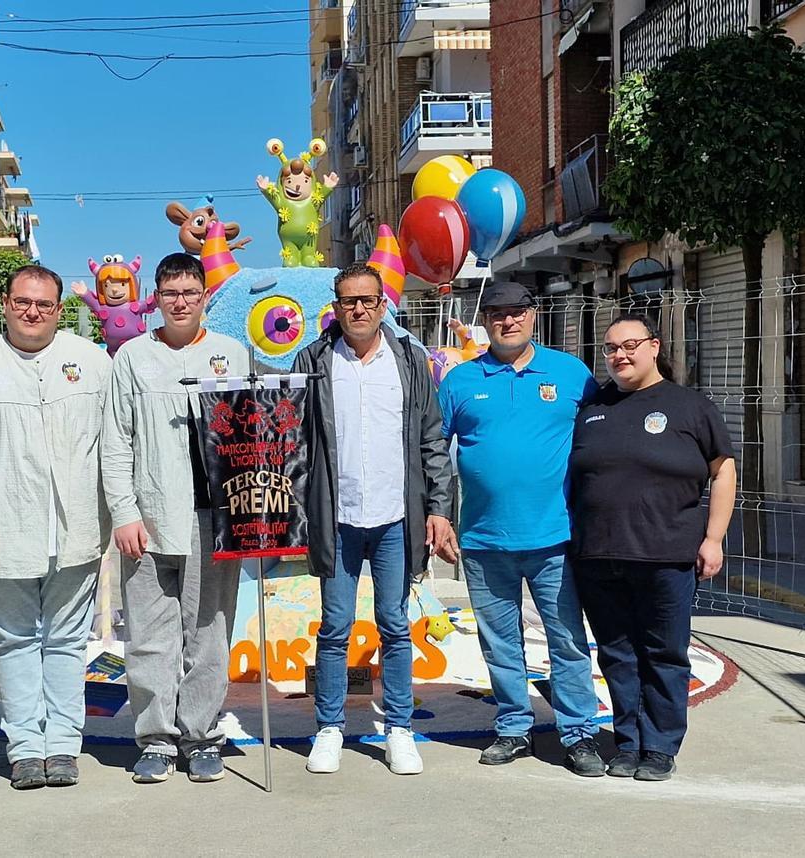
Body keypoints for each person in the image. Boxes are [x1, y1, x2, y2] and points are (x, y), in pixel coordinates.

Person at [0, 265, 112, 791]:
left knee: (66, 642)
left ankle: (64, 746)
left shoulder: (92, 362)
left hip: (76, 531)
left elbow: (117, 442)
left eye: (44, 304)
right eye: (22, 302)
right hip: (0, 531)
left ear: (59, 310)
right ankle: (27, 748)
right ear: (6, 304)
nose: (32, 312)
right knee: (13, 642)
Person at [291, 262, 456, 776]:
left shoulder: (408, 360)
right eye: (349, 301)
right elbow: (295, 443)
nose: (358, 309)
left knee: (395, 625)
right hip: (336, 518)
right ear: (335, 308)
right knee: (335, 628)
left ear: (383, 305)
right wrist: (295, 511)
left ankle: (399, 729)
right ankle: (329, 728)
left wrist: (439, 508)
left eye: (368, 300)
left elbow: (432, 439)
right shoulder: (313, 360)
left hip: (395, 518)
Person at [438, 281, 606, 777]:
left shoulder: (571, 374)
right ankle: (513, 727)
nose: (507, 321)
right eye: (496, 313)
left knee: (567, 640)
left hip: (556, 537)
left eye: (516, 312)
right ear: (485, 321)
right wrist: (438, 513)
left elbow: (602, 440)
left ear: (533, 316)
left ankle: (579, 733)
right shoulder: (460, 381)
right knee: (500, 642)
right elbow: (433, 452)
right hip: (484, 538)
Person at [101, 252, 250, 784]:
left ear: (204, 296)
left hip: (214, 517)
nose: (180, 302)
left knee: (209, 630)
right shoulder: (132, 358)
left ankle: (201, 735)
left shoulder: (232, 353)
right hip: (149, 516)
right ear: (156, 299)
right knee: (149, 634)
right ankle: (157, 740)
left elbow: (252, 435)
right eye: (170, 294)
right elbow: (115, 441)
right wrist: (124, 512)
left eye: (190, 292)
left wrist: (256, 515)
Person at [570, 313, 736, 781]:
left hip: (667, 555)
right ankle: (627, 743)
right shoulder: (592, 406)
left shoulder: (690, 407)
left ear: (654, 346)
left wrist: (714, 539)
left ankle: (660, 746)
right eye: (610, 348)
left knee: (665, 653)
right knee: (617, 654)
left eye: (630, 345)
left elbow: (723, 470)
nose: (619, 356)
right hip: (599, 554)